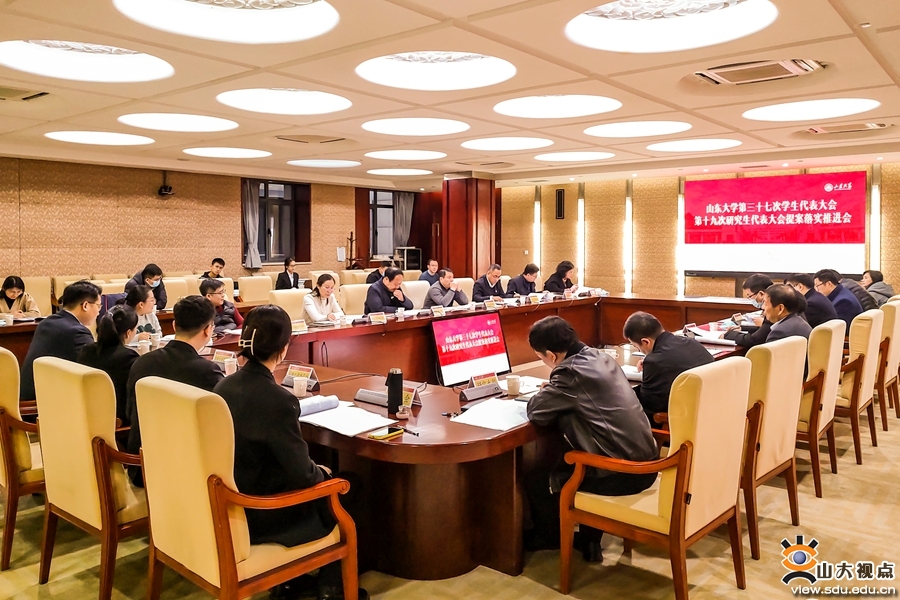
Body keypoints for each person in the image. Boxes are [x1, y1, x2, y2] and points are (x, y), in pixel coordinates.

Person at [214, 306, 368, 600]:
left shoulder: (222, 386)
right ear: (284, 348)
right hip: (267, 512)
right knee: (347, 484)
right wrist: (322, 473)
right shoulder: (279, 400)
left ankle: (290, 582)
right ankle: (333, 588)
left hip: (233, 503)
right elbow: (303, 475)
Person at [524, 316, 658, 561]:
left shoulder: (569, 372)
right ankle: (590, 541)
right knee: (575, 457)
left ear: (551, 356)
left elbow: (536, 411)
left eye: (541, 357)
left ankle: (551, 537)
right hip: (647, 461)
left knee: (541, 475)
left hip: (622, 474)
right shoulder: (601, 357)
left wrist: (548, 392)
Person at [126, 296, 224, 486]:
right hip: (182, 470)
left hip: (140, 464)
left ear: (174, 325)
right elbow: (220, 426)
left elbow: (131, 412)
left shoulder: (142, 362)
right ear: (208, 329)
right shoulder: (206, 371)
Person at [623, 311, 713, 425]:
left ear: (645, 342)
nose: (640, 351)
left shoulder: (655, 361)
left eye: (637, 347)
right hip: (708, 414)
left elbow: (648, 408)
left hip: (681, 423)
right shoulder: (691, 343)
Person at [20, 280, 100, 401]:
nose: (99, 312)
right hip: (42, 402)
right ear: (85, 305)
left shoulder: (47, 322)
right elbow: (96, 367)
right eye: (99, 306)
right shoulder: (77, 332)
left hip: (29, 394)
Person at [77, 306, 139, 425]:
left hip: (87, 417)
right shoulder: (128, 358)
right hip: (118, 421)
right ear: (128, 333)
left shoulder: (86, 351)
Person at [724, 273, 773, 349]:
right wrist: (742, 328)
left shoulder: (772, 310)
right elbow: (765, 329)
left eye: (750, 296)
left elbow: (753, 340)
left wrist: (728, 335)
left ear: (761, 294)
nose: (763, 307)